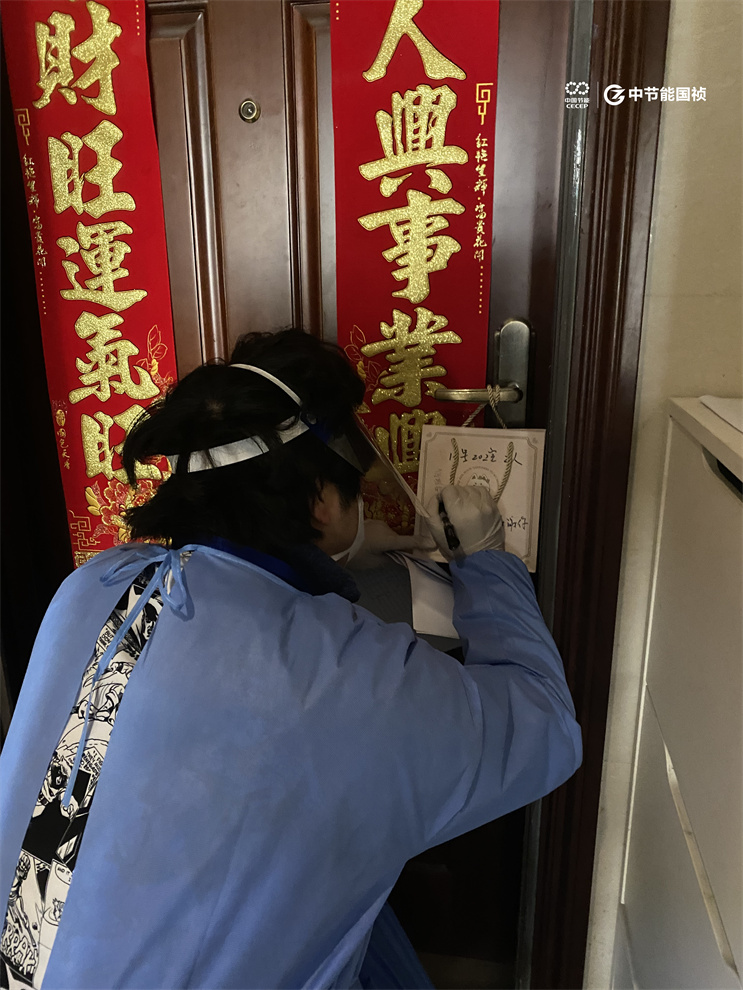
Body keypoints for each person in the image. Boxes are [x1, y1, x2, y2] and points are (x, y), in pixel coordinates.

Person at [0, 329, 581, 989]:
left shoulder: (95, 586)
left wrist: (327, 561)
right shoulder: (354, 678)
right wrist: (489, 562)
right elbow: (544, 727)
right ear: (320, 500)